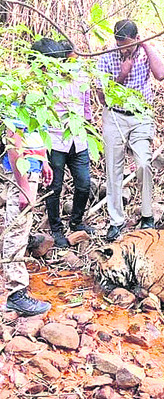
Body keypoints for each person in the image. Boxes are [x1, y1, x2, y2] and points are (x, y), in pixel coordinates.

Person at [97, 20, 164, 242]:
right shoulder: (108, 57)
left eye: (126, 43)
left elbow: (162, 74)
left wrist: (145, 46)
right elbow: (101, 96)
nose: (122, 48)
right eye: (118, 43)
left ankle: (147, 215)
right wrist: (121, 75)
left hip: (140, 115)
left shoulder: (146, 52)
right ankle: (116, 220)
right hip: (114, 114)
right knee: (113, 168)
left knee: (144, 163)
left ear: (136, 38)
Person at [31, 38, 94, 248]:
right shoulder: (45, 80)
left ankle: (76, 221)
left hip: (79, 139)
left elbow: (86, 102)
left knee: (84, 184)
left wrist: (88, 123)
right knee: (54, 188)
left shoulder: (81, 74)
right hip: (55, 140)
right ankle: (56, 229)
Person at [2, 118, 53, 315]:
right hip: (22, 172)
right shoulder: (21, 95)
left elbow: (36, 132)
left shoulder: (37, 94)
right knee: (17, 228)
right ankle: (16, 294)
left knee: (21, 228)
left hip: (32, 167)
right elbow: (14, 141)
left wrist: (44, 162)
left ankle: (17, 290)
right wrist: (23, 185)